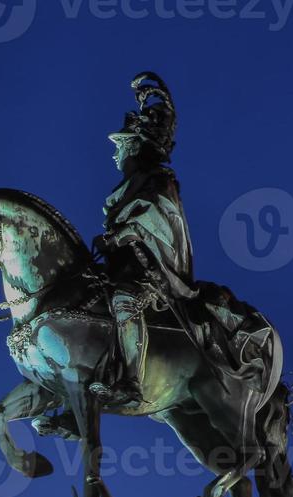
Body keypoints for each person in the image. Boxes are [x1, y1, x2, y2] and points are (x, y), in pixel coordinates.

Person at [94, 73, 197, 408]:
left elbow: (160, 221)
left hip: (149, 277)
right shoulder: (126, 190)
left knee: (124, 302)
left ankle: (131, 383)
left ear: (135, 148)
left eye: (119, 147)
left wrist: (124, 233)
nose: (114, 157)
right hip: (120, 269)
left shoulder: (159, 182)